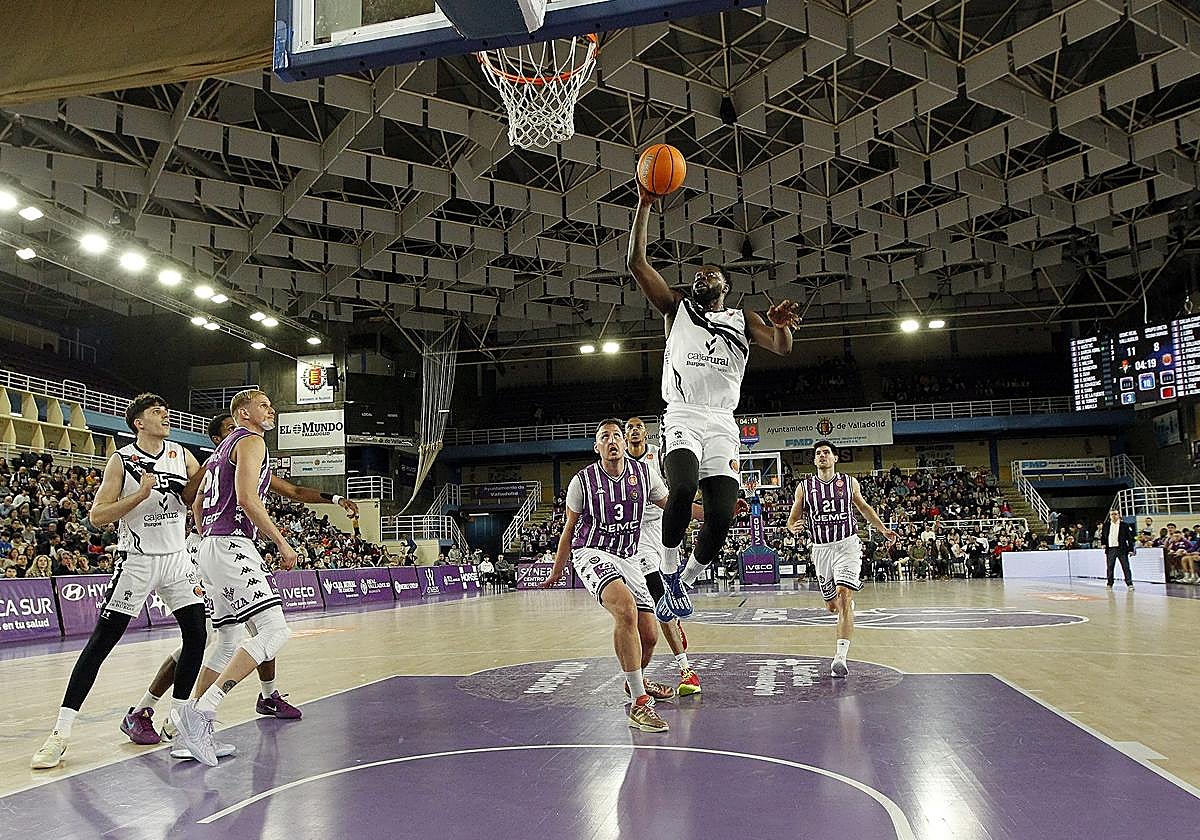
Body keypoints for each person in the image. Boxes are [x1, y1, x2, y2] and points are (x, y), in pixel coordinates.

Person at [627, 184, 800, 619]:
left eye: (712, 274)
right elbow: (636, 263)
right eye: (698, 275)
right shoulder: (676, 308)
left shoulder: (745, 320)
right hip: (683, 412)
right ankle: (667, 570)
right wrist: (645, 205)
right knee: (683, 487)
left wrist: (781, 326)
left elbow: (782, 348)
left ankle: (683, 582)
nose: (704, 277)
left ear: (727, 285)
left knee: (721, 516)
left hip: (724, 421)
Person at [137, 413, 359, 740]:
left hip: (216, 546)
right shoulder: (226, 457)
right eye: (230, 430)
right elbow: (193, 499)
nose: (239, 434)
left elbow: (294, 490)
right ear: (220, 439)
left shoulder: (244, 464)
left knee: (230, 637)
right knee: (252, 631)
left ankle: (221, 705)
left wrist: (336, 499)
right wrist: (211, 533)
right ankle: (179, 709)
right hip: (217, 547)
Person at [31, 394, 208, 769]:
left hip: (176, 560)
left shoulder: (180, 453)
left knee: (197, 634)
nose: (165, 415)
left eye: (165, 410)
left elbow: (193, 492)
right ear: (139, 423)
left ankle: (179, 720)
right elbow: (98, 515)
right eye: (157, 412)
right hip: (137, 562)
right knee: (101, 644)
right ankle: (60, 734)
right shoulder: (121, 460)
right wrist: (141, 494)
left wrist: (202, 481)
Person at [542, 420, 702, 732]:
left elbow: (673, 506)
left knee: (650, 635)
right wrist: (557, 570)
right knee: (625, 609)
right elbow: (569, 529)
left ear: (624, 443)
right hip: (592, 552)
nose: (612, 440)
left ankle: (635, 682)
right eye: (605, 437)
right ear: (597, 447)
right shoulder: (582, 482)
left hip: (628, 556)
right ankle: (640, 704)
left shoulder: (643, 474)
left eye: (616, 435)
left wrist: (712, 513)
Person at [169, 389, 300, 766]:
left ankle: (190, 731)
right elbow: (246, 498)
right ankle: (204, 710)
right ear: (244, 413)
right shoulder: (252, 440)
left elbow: (195, 502)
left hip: (209, 545)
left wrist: (206, 535)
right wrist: (282, 543)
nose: (270, 409)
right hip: (231, 544)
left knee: (227, 641)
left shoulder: (220, 448)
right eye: (263, 405)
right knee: (275, 632)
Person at [786, 441, 897, 678]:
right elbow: (792, 518)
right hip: (821, 549)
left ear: (835, 458)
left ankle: (840, 657)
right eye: (818, 454)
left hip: (847, 544)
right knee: (831, 606)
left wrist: (883, 529)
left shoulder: (848, 483)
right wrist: (793, 527)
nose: (822, 456)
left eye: (826, 452)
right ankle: (842, 605)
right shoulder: (804, 488)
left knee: (845, 595)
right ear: (814, 461)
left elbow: (865, 509)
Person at [624, 416, 701, 696]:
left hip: (665, 527)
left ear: (645, 433)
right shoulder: (619, 462)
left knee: (670, 592)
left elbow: (677, 489)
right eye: (629, 428)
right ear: (624, 435)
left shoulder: (660, 453)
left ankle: (674, 626)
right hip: (637, 535)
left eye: (638, 427)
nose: (634, 431)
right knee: (661, 601)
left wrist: (710, 512)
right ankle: (687, 671)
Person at [1100, 509, 1136, 590]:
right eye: (1112, 514)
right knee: (1110, 567)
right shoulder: (1106, 525)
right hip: (1110, 549)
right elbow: (1103, 536)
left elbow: (1129, 538)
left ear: (1119, 515)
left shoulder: (1124, 525)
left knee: (1126, 567)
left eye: (1115, 514)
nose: (1114, 516)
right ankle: (1110, 583)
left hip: (1122, 549)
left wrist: (1131, 549)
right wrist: (1103, 544)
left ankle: (1129, 583)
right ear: (1110, 516)